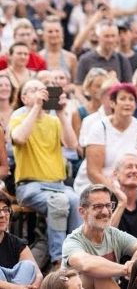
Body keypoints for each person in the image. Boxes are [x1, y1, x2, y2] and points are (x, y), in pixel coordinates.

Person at [11, 79, 81, 267]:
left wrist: (60, 112)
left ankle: (78, 253)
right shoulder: (18, 118)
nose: (39, 92)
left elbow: (72, 144)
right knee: (59, 202)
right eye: (33, 90)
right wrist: (36, 108)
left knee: (77, 201)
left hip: (57, 185)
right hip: (30, 186)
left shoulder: (54, 120)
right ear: (24, 98)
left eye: (41, 89)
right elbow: (18, 137)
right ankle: (59, 259)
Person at [62, 185, 137, 289]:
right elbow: (87, 265)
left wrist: (135, 263)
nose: (105, 212)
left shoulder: (113, 234)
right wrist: (127, 269)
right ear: (82, 212)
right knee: (98, 275)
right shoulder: (72, 241)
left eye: (108, 205)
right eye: (98, 206)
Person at [0, 191, 41, 289]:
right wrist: (16, 288)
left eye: (5, 210)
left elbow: (38, 274)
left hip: (20, 285)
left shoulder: (17, 243)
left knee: (28, 266)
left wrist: (34, 286)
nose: (2, 215)